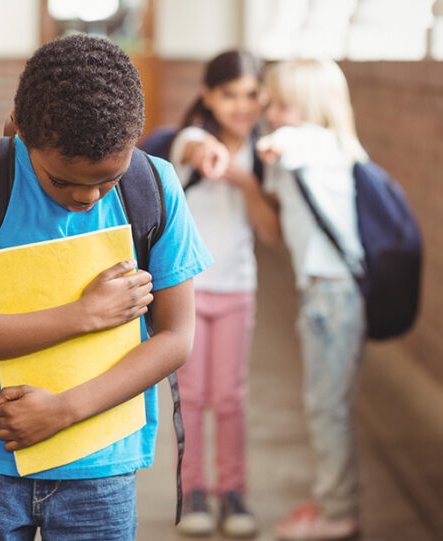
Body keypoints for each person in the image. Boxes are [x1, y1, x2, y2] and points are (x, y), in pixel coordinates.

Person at [0, 34, 213, 540]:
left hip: (100, 466)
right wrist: (85, 315)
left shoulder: (155, 189)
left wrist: (63, 411)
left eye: (107, 179)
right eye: (61, 180)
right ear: (20, 131)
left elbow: (175, 338)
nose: (87, 196)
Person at [167, 50, 280, 538]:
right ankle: (192, 490)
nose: (241, 105)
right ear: (209, 96)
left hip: (237, 288)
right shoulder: (192, 138)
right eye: (229, 94)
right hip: (187, 292)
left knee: (229, 397)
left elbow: (271, 231)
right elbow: (191, 147)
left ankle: (232, 492)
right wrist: (208, 154)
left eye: (251, 94)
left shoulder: (266, 152)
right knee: (190, 396)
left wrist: (246, 180)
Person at [257, 59, 368, 541]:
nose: (273, 114)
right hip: (325, 294)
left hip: (331, 295)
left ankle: (338, 514)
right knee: (326, 406)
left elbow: (285, 143)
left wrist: (273, 140)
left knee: (328, 410)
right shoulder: (320, 151)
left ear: (311, 109)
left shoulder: (315, 142)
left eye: (283, 105)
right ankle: (330, 498)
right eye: (272, 104)